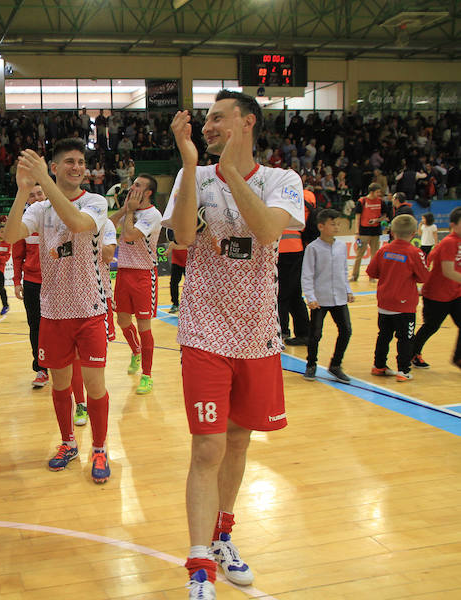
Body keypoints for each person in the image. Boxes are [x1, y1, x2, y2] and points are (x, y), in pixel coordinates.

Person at [166, 91, 305, 600]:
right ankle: (199, 565)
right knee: (208, 446)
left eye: (217, 118)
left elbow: (269, 232)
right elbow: (181, 239)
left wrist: (228, 173)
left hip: (258, 336)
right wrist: (192, 166)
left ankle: (224, 536)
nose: (207, 126)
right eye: (204, 120)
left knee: (239, 441)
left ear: (247, 123)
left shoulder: (282, 180)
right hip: (204, 332)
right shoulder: (192, 176)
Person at [4, 138, 112, 484]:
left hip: (89, 308)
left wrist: (43, 184)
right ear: (54, 167)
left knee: (95, 386)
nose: (78, 167)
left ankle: (100, 448)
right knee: (60, 385)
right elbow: (10, 235)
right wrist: (24, 191)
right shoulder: (39, 208)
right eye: (70, 161)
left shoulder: (96, 201)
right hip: (53, 312)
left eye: (81, 161)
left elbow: (78, 223)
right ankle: (68, 443)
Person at [109, 174, 163, 394]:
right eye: (133, 184)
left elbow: (130, 235)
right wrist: (125, 209)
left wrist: (130, 212)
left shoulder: (153, 214)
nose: (132, 187)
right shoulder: (130, 210)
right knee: (122, 321)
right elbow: (109, 225)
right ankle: (136, 351)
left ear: (148, 193)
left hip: (143, 275)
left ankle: (147, 375)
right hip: (123, 272)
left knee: (144, 326)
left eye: (138, 185)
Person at [366, 214, 429, 381]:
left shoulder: (383, 250)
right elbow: (424, 277)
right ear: (414, 233)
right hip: (404, 305)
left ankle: (378, 365)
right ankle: (403, 371)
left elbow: (371, 272)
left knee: (383, 335)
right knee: (405, 339)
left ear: (392, 232)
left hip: (384, 302)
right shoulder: (415, 252)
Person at [300, 209, 354, 383]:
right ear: (321, 226)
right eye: (333, 224)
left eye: (338, 224)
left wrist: (348, 289)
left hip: (339, 297)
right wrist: (310, 297)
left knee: (346, 330)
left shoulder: (340, 247)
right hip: (320, 299)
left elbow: (344, 271)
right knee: (315, 334)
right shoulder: (313, 248)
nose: (336, 227)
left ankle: (336, 365)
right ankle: (311, 364)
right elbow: (307, 274)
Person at [410, 206, 461, 370]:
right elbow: (448, 271)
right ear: (453, 225)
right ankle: (413, 353)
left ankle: (458, 357)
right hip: (437, 294)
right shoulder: (449, 242)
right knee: (431, 326)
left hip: (455, 292)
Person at [12, 183, 48, 388]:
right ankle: (41, 369)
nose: (36, 198)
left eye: (39, 193)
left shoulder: (57, 218)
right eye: (31, 195)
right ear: (26, 200)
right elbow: (17, 255)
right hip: (33, 283)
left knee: (59, 327)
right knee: (36, 327)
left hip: (56, 283)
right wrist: (17, 281)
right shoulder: (22, 223)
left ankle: (61, 365)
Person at [277, 186, 315, 346]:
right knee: (293, 294)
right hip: (298, 249)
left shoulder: (277, 195)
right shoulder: (307, 196)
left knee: (282, 295)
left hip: (283, 250)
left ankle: (282, 332)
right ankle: (303, 332)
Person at [351, 183, 385, 281]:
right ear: (371, 192)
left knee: (374, 255)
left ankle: (372, 276)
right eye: (377, 192)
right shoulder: (362, 201)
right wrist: (356, 233)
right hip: (363, 232)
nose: (379, 194)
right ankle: (354, 275)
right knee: (359, 254)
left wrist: (377, 220)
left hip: (376, 232)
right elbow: (357, 218)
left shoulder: (381, 202)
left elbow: (384, 216)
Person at [167, 242, 187, 313]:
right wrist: (168, 251)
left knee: (190, 284)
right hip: (176, 261)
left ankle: (190, 304)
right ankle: (175, 304)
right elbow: (172, 243)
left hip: (188, 261)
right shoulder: (174, 235)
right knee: (173, 283)